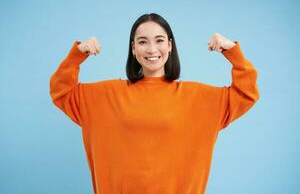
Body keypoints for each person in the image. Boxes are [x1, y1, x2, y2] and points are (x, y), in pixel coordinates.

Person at [49, 13, 259, 194]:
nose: (151, 49)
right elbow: (61, 91)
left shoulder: (197, 97)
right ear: (133, 48)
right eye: (142, 41)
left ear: (169, 45)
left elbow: (246, 93)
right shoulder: (104, 95)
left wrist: (231, 50)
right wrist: (78, 54)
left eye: (159, 40)